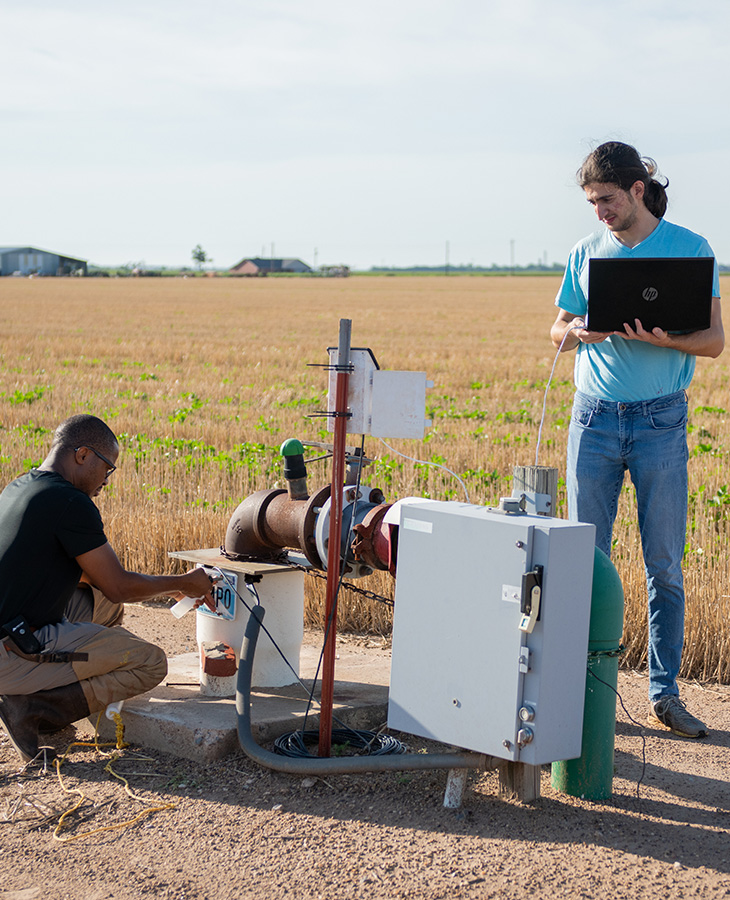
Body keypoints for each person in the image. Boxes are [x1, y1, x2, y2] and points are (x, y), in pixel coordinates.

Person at [551, 141, 724, 739]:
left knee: (665, 566)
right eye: (592, 202)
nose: (599, 211)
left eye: (605, 200)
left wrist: (662, 340)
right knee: (583, 564)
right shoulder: (585, 252)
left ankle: (665, 696)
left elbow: (713, 342)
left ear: (637, 192)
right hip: (592, 421)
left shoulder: (691, 248)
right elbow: (556, 330)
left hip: (660, 424)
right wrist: (578, 329)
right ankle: (582, 695)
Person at [0, 414, 215, 763]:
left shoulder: (22, 486)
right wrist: (185, 582)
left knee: (104, 607)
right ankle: (30, 706)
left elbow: (97, 582)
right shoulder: (71, 503)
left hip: (12, 626)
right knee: (149, 662)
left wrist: (162, 588)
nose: (107, 480)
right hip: (12, 650)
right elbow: (118, 586)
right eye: (107, 467)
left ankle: (60, 677)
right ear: (82, 454)